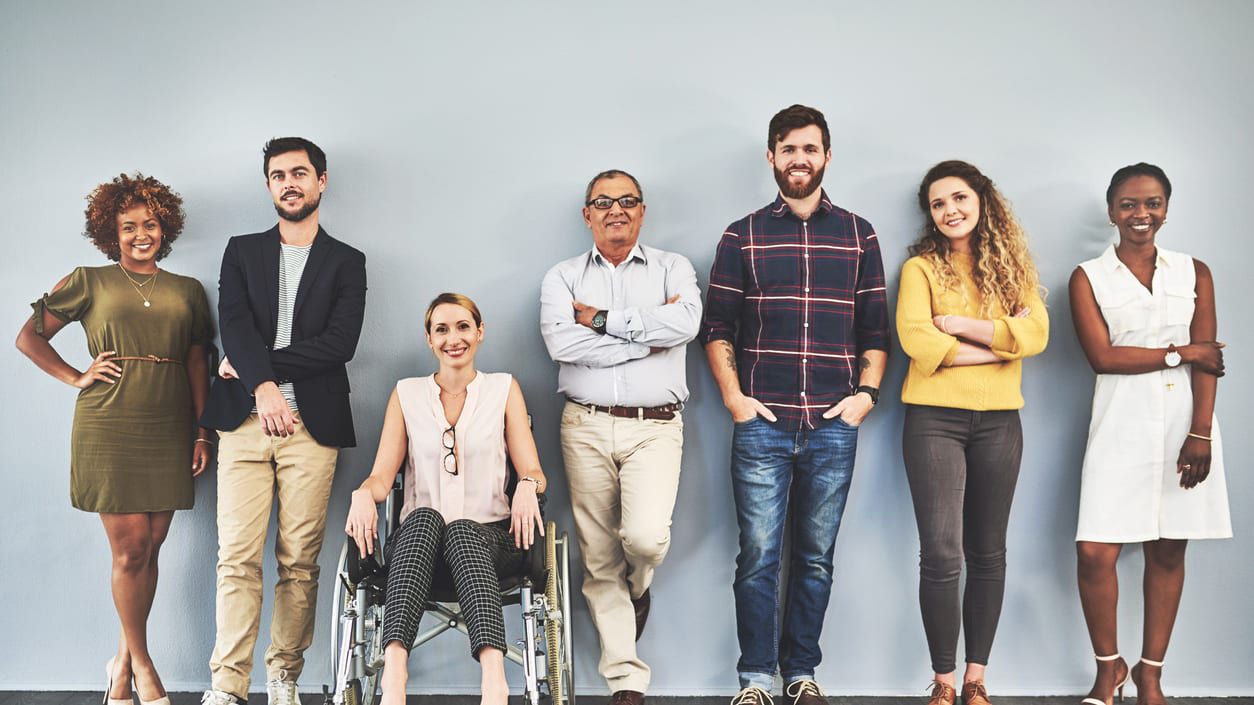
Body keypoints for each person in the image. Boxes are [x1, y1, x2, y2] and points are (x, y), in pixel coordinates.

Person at [699, 104, 890, 705]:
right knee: (757, 557)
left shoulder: (859, 234)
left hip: (835, 424)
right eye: (788, 149)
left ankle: (802, 672)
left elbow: (875, 331)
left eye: (810, 149)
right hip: (763, 423)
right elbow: (718, 327)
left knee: (815, 558)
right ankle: (755, 679)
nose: (799, 159)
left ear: (827, 156)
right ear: (772, 157)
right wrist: (734, 398)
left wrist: (866, 397)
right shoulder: (743, 234)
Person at [16, 173, 214, 705]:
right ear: (112, 231)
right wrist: (76, 375)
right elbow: (27, 337)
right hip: (110, 424)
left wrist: (202, 430)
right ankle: (144, 667)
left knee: (151, 550)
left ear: (164, 227)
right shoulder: (89, 279)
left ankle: (120, 662)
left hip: (171, 424)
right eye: (128, 227)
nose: (140, 234)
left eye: (149, 224)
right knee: (129, 552)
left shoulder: (188, 291)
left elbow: (199, 361)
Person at [199, 137, 367, 705]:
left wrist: (249, 368)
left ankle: (284, 678)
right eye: (278, 175)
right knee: (236, 559)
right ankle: (228, 686)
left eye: (300, 173)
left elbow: (338, 345)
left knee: (299, 561)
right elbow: (235, 322)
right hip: (244, 424)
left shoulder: (348, 261)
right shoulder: (241, 250)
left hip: (311, 430)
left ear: (322, 181)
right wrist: (265, 388)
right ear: (268, 185)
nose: (289, 182)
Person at [540, 169, 702, 705]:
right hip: (584, 423)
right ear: (587, 214)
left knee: (646, 539)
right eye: (603, 202)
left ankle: (640, 587)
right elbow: (564, 346)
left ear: (642, 210)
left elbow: (685, 324)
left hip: (655, 426)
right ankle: (626, 679)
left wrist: (603, 321)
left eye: (627, 200)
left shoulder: (672, 267)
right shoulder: (562, 277)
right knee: (599, 555)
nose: (616, 209)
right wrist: (644, 338)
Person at [1070, 163, 1230, 705]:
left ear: (1167, 207)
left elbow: (1212, 364)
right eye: (1130, 205)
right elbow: (1103, 358)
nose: (1142, 215)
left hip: (1185, 425)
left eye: (1153, 203)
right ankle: (1107, 667)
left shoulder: (1194, 272)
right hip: (1118, 424)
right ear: (1112, 210)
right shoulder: (1088, 276)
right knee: (1095, 551)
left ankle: (1151, 674)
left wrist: (1201, 434)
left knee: (1167, 551)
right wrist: (1180, 352)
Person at [896, 160, 1049, 705]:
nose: (949, 210)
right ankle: (941, 682)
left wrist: (959, 328)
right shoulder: (920, 270)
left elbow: (1036, 336)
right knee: (941, 553)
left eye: (958, 198)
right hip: (933, 420)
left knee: (988, 552)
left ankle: (976, 678)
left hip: (1001, 422)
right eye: (938, 204)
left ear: (982, 200)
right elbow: (918, 342)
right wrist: (1000, 346)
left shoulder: (1014, 268)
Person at [346, 293, 547, 705]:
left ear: (479, 332)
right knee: (422, 519)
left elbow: (534, 470)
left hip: (491, 543)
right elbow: (383, 474)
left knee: (461, 530)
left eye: (462, 327)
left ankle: (494, 678)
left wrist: (528, 484)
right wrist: (364, 494)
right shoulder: (406, 393)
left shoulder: (503, 389)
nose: (453, 338)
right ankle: (395, 672)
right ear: (429, 339)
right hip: (417, 551)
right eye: (441, 329)